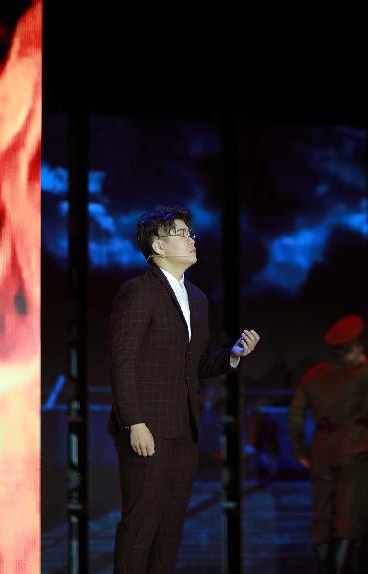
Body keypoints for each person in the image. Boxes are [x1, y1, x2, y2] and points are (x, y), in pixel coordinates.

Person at [107, 205, 260, 573]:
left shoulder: (198, 298)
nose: (192, 240)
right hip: (147, 426)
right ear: (158, 246)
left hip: (184, 428)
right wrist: (135, 421)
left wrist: (233, 356)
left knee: (171, 527)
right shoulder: (138, 292)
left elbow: (195, 367)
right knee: (142, 522)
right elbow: (122, 361)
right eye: (181, 234)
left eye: (191, 233)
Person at [288, 315, 368, 574]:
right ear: (354, 349)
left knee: (322, 515)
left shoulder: (312, 375)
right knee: (347, 516)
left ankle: (324, 568)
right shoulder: (359, 375)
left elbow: (296, 415)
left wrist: (301, 450)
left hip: (321, 449)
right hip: (352, 448)